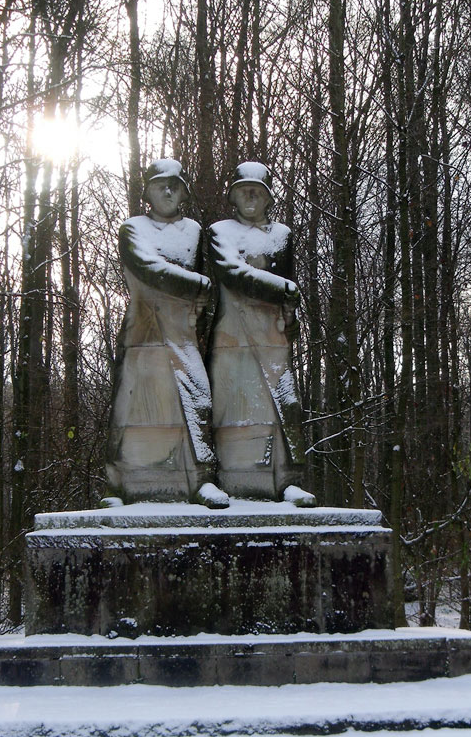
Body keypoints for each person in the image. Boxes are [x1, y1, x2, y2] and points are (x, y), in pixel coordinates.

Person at [104, 159, 228, 507]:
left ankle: (201, 478)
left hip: (181, 331)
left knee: (197, 396)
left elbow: (199, 296)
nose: (169, 191)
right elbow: (147, 268)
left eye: (175, 185)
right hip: (143, 330)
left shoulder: (193, 231)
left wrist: (195, 296)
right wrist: (198, 285)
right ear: (148, 192)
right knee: (129, 405)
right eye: (161, 185)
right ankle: (118, 484)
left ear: (184, 191)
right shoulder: (132, 228)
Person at [206, 161, 315, 505]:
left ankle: (288, 480)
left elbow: (291, 289)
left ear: (269, 198)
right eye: (244, 190)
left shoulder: (281, 235)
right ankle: (225, 478)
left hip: (272, 337)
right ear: (233, 196)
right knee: (232, 408)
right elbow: (232, 273)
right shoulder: (219, 232)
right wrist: (284, 289)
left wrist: (290, 313)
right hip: (231, 335)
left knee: (286, 404)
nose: (251, 196)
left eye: (258, 191)